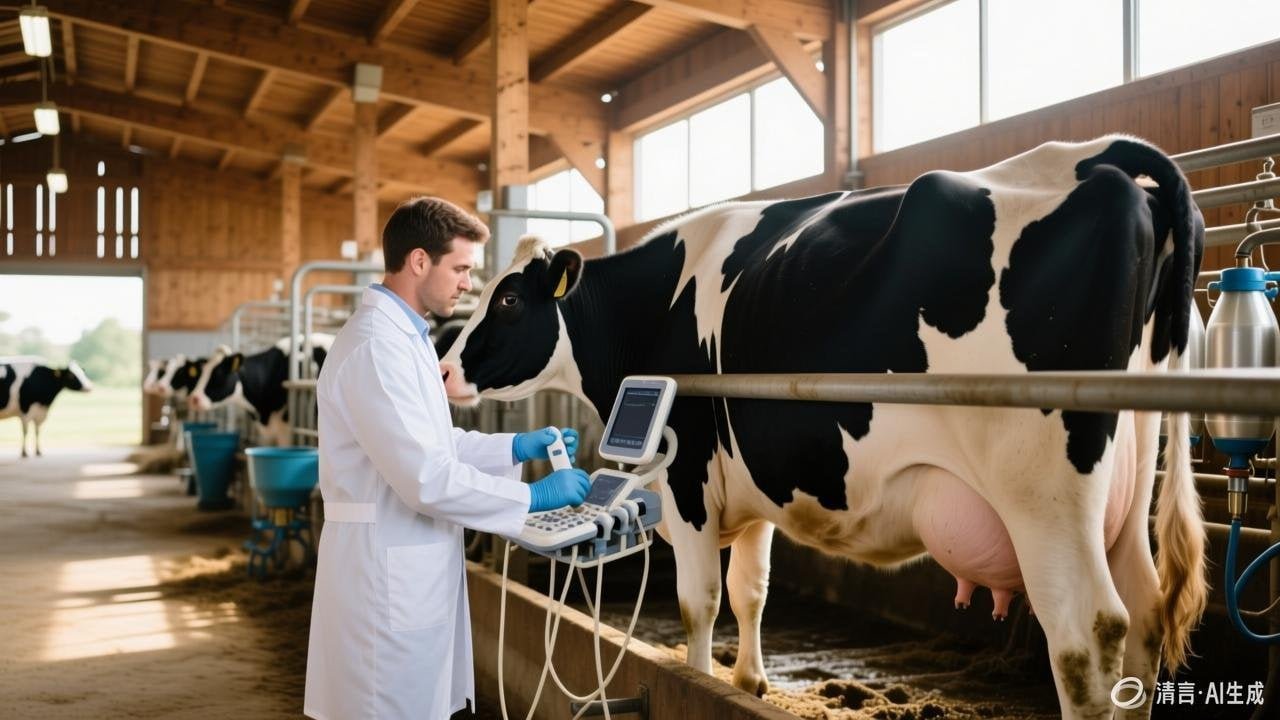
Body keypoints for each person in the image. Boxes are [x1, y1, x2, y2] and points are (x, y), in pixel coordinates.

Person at [304, 196, 591, 720]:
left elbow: (433, 443)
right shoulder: (377, 348)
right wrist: (531, 496)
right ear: (419, 261)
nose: (467, 283)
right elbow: (426, 477)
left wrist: (513, 446)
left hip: (407, 567)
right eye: (460, 268)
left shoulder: (406, 339)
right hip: (383, 578)